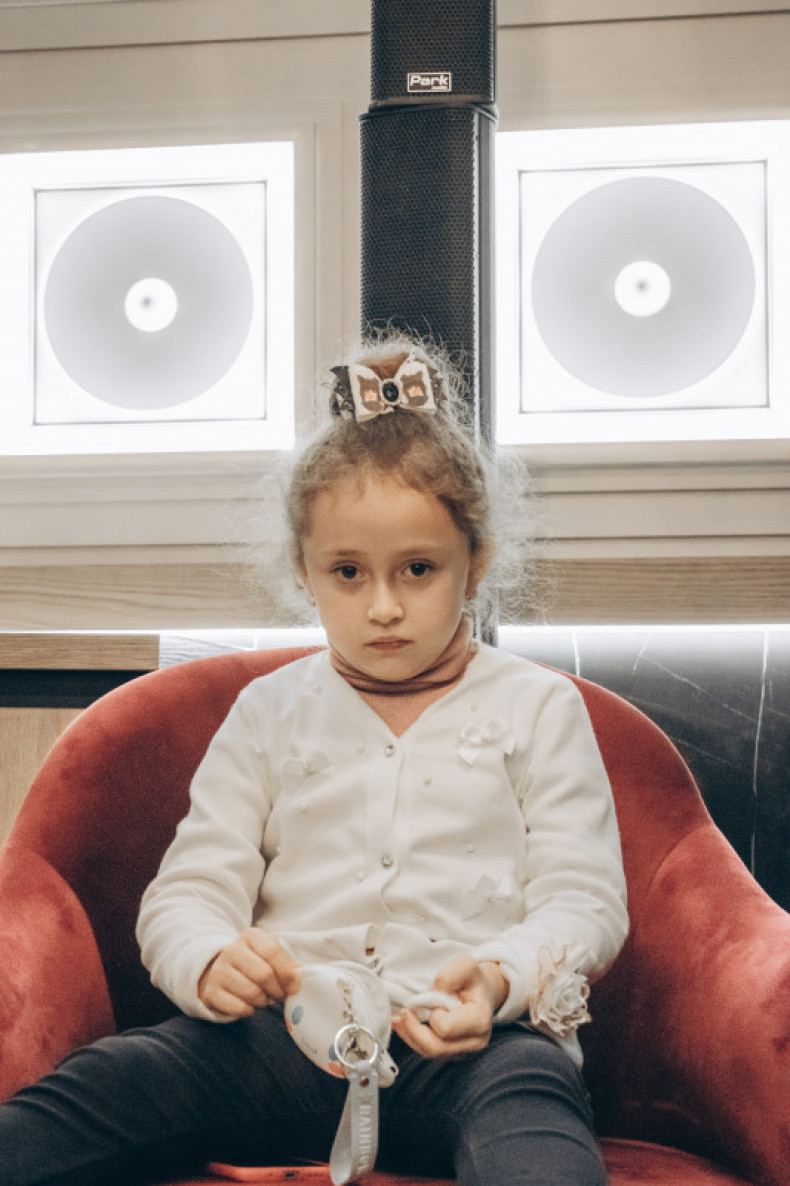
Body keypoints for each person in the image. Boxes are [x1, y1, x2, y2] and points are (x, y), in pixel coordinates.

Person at [0, 339, 628, 1186]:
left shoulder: (541, 707)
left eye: (418, 569)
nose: (383, 606)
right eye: (347, 572)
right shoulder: (268, 711)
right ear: (305, 571)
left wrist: (497, 979)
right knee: (97, 1087)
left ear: (474, 563)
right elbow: (188, 892)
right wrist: (209, 959)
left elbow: (585, 902)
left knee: (539, 1133)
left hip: (475, 1049)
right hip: (278, 1042)